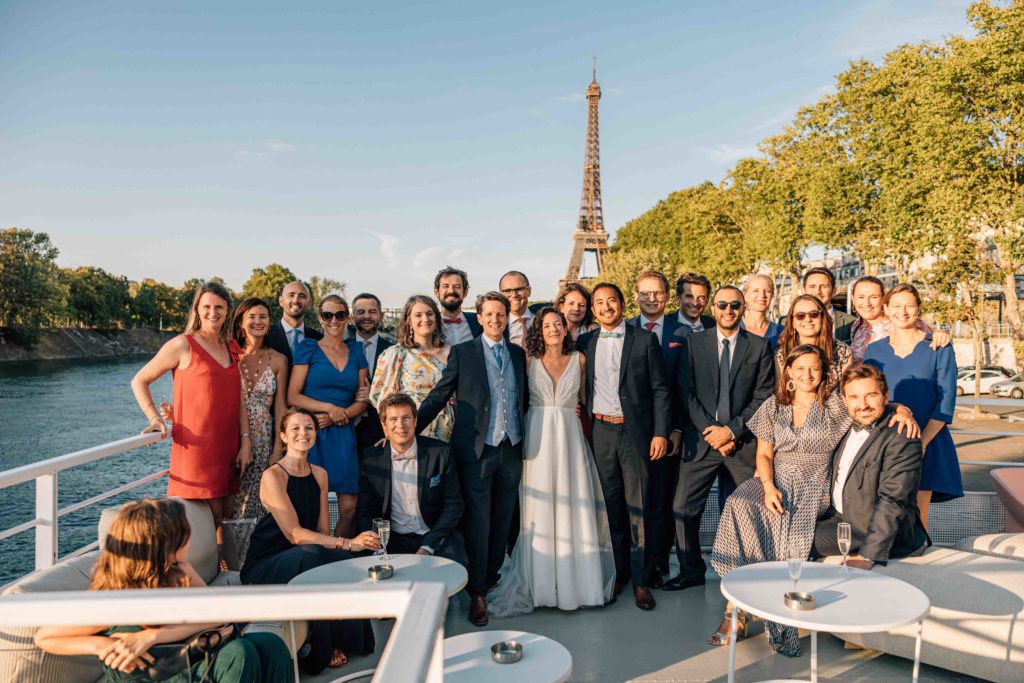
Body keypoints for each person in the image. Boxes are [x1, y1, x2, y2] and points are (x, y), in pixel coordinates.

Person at [36, 498, 292, 682]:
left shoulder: (174, 573)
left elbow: (217, 613)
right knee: (237, 653)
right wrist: (99, 647)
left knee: (270, 645)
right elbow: (45, 637)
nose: (190, 537)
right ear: (161, 544)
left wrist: (153, 637)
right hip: (151, 675)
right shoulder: (114, 597)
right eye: (182, 533)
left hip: (186, 659)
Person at [710, 345, 852, 654]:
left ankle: (771, 612)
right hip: (773, 479)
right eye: (800, 368)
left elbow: (872, 404)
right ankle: (736, 607)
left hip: (812, 484)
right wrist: (768, 486)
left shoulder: (836, 406)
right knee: (739, 504)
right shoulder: (774, 406)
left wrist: (902, 410)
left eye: (814, 368)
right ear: (788, 371)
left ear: (823, 372)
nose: (807, 375)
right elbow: (764, 454)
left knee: (787, 534)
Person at [488, 308, 615, 617]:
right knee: (540, 508)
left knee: (574, 503)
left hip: (570, 439)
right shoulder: (528, 361)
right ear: (538, 331)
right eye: (547, 325)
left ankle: (579, 585)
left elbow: (585, 399)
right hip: (538, 437)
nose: (554, 329)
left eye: (558, 324)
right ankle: (542, 586)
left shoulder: (580, 360)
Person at [416, 292, 528, 627]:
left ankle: (492, 578)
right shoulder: (463, 353)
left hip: (511, 448)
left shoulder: (518, 355)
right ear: (478, 318)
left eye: (501, 314)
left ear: (507, 318)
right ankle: (477, 591)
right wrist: (408, 431)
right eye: (489, 314)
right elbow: (440, 394)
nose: (495, 320)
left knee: (503, 520)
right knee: (478, 521)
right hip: (477, 450)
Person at [241, 409, 379, 673]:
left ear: (316, 434)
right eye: (295, 429)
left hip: (305, 554)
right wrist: (349, 542)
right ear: (283, 436)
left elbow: (322, 531)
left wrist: (342, 549)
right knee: (314, 556)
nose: (303, 433)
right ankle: (319, 649)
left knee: (338, 560)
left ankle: (345, 639)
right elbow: (294, 534)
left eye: (309, 428)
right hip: (266, 564)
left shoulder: (320, 474)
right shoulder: (274, 476)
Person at [668, 286, 775, 592]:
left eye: (735, 305)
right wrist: (714, 432)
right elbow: (685, 392)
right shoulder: (693, 344)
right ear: (712, 309)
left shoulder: (759, 346)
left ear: (743, 309)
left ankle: (750, 573)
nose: (728, 310)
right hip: (702, 442)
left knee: (754, 509)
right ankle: (691, 571)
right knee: (684, 508)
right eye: (722, 304)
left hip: (741, 444)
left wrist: (731, 431)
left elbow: (763, 396)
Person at [578, 283, 671, 611]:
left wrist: (660, 433)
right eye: (598, 302)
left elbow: (661, 390)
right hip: (600, 431)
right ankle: (618, 573)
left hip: (635, 434)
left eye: (611, 301)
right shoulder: (585, 342)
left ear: (621, 304)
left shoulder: (645, 339)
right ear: (593, 309)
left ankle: (642, 579)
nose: (605, 307)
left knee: (640, 508)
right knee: (612, 506)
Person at [131, 281, 248, 533]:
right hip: (197, 451)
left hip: (229, 449)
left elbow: (238, 400)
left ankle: (222, 572)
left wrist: (245, 443)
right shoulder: (183, 345)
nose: (212, 312)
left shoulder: (231, 347)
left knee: (226, 519)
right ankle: (195, 572)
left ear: (228, 310)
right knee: (199, 524)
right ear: (197, 309)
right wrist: (155, 419)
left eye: (219, 307)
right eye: (206, 306)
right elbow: (139, 380)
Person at [864, 283, 963, 528]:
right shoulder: (874, 351)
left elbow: (946, 401)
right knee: (884, 518)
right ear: (885, 309)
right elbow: (872, 397)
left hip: (929, 440)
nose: (903, 311)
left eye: (909, 305)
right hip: (886, 442)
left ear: (918, 309)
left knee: (917, 519)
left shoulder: (938, 347)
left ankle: (918, 566)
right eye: (896, 305)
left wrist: (921, 443)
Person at [813, 363, 929, 568]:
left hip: (873, 531)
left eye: (871, 395)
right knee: (780, 533)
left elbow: (894, 500)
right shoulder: (844, 426)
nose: (863, 404)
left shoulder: (902, 436)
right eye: (854, 397)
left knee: (795, 543)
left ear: (885, 397)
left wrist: (869, 555)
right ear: (845, 401)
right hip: (839, 520)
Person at [287, 295, 370, 536]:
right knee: (312, 504)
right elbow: (293, 396)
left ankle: (336, 554)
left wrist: (337, 415)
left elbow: (363, 401)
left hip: (343, 433)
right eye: (328, 315)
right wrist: (327, 409)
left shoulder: (356, 350)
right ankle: (314, 558)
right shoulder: (308, 348)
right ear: (320, 319)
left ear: (348, 318)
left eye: (340, 315)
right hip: (312, 433)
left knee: (349, 508)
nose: (334, 320)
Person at [355, 393, 467, 564]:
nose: (400, 425)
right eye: (393, 419)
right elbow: (364, 509)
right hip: (393, 538)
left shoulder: (440, 453)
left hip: (435, 534)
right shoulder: (371, 458)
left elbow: (454, 505)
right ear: (384, 425)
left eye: (406, 418)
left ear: (415, 421)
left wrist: (428, 547)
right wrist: (374, 545)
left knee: (455, 566)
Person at [628, 270, 685, 581]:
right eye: (645, 293)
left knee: (662, 499)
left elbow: (687, 385)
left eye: (657, 293)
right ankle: (633, 562)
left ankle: (659, 561)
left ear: (667, 297)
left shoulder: (683, 333)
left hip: (669, 432)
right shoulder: (622, 331)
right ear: (636, 295)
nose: (651, 299)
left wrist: (674, 428)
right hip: (631, 430)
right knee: (633, 500)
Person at [231, 297, 289, 520]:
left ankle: (250, 554)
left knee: (256, 505)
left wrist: (277, 450)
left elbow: (281, 407)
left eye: (263, 317)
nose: (257, 321)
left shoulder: (279, 360)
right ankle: (225, 554)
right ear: (241, 323)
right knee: (229, 504)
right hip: (231, 437)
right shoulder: (229, 356)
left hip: (264, 440)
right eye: (251, 317)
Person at [369, 295, 454, 442]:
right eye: (418, 315)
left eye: (429, 314)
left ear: (437, 318)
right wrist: (391, 437)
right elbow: (382, 400)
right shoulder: (395, 354)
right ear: (408, 320)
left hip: (450, 433)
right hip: (411, 432)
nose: (425, 319)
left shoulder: (453, 353)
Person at [849, 276, 951, 361]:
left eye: (874, 297)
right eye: (861, 297)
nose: (867, 303)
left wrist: (940, 334)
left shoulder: (901, 321)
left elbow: (933, 340)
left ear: (883, 299)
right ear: (853, 299)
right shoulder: (856, 325)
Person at [775, 294, 854, 394]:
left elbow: (847, 392)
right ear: (793, 322)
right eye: (800, 316)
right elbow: (780, 392)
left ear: (822, 318)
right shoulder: (782, 353)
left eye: (814, 314)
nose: (808, 319)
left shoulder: (843, 352)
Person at [348, 293, 394, 454]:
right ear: (352, 317)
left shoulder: (394, 351)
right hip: (346, 426)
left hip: (382, 431)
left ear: (381, 316)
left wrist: (374, 394)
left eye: (372, 312)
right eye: (361, 312)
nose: (367, 316)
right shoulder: (340, 349)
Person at [266, 281, 323, 365]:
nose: (296, 300)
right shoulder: (266, 336)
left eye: (302, 296)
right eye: (291, 295)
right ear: (281, 301)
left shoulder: (319, 340)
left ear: (309, 304)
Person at [800, 266, 855, 343]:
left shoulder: (851, 322)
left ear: (834, 291)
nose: (817, 291)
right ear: (803, 291)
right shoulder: (786, 322)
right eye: (812, 286)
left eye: (824, 286)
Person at [435, 266, 482, 344]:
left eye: (457, 287)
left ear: (465, 292)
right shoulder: (429, 323)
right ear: (436, 292)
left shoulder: (478, 321)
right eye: (445, 286)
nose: (451, 291)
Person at [740, 274, 783, 349]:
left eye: (767, 291)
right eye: (755, 291)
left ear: (772, 296)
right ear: (746, 296)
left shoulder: (781, 332)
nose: (762, 295)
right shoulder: (735, 329)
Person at [500, 270, 535, 349]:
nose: (514, 295)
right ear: (501, 295)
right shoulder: (496, 325)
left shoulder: (543, 317)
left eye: (519, 289)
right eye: (508, 291)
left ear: (529, 291)